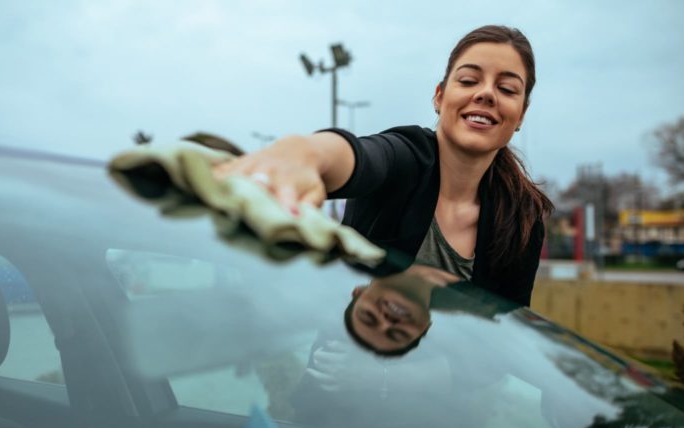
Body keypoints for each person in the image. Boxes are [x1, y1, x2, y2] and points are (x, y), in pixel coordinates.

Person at [215, 25, 554, 307]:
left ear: (521, 114)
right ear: (439, 96)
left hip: (447, 389)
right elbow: (365, 157)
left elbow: (508, 337)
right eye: (468, 81)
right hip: (338, 381)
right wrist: (304, 152)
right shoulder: (408, 158)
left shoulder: (522, 218)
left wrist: (429, 374)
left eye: (507, 88)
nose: (486, 94)